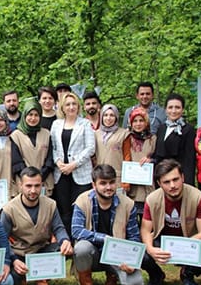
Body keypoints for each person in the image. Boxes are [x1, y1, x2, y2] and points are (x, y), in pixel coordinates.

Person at [140, 159, 201, 285]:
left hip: (190, 240)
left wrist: (182, 247)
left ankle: (187, 273)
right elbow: (146, 230)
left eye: (176, 179)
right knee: (140, 252)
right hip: (162, 240)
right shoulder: (151, 199)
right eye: (166, 182)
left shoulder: (198, 197)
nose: (172, 185)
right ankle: (156, 275)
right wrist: (151, 249)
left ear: (183, 177)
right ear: (159, 184)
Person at [72, 165, 144, 285]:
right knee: (81, 247)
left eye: (111, 182)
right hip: (92, 253)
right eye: (103, 183)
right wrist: (103, 238)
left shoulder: (128, 204)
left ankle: (112, 277)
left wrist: (131, 261)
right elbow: (76, 231)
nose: (108, 187)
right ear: (94, 185)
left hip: (117, 255)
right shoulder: (82, 200)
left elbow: (134, 237)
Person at [1, 167, 73, 285]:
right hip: (19, 254)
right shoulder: (8, 209)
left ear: (42, 185)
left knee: (65, 249)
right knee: (12, 277)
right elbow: (1, 239)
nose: (33, 190)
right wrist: (13, 259)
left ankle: (41, 279)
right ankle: (21, 279)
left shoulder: (51, 204)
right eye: (28, 186)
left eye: (37, 186)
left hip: (41, 251)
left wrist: (65, 240)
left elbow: (59, 228)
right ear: (20, 186)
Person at [51, 92, 95, 233]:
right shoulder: (56, 124)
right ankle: (66, 240)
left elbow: (90, 148)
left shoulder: (85, 124)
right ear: (62, 108)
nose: (71, 107)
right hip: (61, 173)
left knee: (80, 208)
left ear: (78, 106)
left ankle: (80, 238)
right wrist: (58, 162)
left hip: (80, 173)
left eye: (74, 104)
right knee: (64, 209)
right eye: (68, 104)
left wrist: (73, 165)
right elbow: (53, 147)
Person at [11, 99, 54, 196]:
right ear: (25, 115)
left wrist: (41, 175)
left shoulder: (46, 133)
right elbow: (17, 162)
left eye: (36, 115)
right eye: (30, 115)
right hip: (24, 182)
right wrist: (30, 178)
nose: (33, 118)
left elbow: (50, 158)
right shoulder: (16, 135)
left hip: (45, 181)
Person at [153, 93, 196, 186]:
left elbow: (189, 159)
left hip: (176, 178)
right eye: (170, 107)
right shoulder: (162, 128)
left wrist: (187, 183)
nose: (173, 111)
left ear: (182, 110)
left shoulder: (188, 130)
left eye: (177, 107)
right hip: (161, 176)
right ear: (165, 109)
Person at [122, 108, 156, 218]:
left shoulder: (152, 138)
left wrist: (151, 160)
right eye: (135, 121)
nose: (138, 124)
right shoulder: (126, 138)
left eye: (141, 120)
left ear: (146, 122)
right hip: (132, 186)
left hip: (148, 185)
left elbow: (159, 157)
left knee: (147, 217)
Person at [94, 104, 128, 187]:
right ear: (101, 117)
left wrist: (126, 181)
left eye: (112, 115)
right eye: (105, 115)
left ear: (116, 117)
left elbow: (128, 157)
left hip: (117, 176)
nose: (108, 118)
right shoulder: (95, 134)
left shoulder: (124, 134)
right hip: (100, 176)